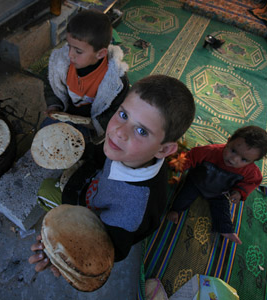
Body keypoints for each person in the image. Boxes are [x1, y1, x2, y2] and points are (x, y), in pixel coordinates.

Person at [29, 74, 196, 275]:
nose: (119, 132)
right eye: (123, 115)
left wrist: (63, 248)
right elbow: (101, 156)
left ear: (163, 150)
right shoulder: (129, 151)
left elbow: (111, 250)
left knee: (45, 190)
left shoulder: (133, 210)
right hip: (95, 187)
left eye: (141, 131)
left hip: (95, 221)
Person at [167, 125, 267, 245]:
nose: (234, 159)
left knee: (222, 208)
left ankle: (225, 229)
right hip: (197, 181)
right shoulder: (211, 151)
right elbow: (192, 156)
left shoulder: (251, 172)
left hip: (219, 192)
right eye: (233, 150)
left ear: (253, 161)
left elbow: (251, 182)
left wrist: (239, 192)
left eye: (244, 159)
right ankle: (175, 210)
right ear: (228, 141)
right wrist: (181, 165)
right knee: (185, 195)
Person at [42, 9, 129, 141]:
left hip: (91, 127)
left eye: (78, 51)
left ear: (100, 54)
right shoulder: (60, 63)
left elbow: (118, 113)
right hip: (66, 113)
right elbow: (52, 84)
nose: (70, 54)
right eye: (69, 45)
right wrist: (54, 106)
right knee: (45, 134)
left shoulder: (117, 82)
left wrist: (93, 124)